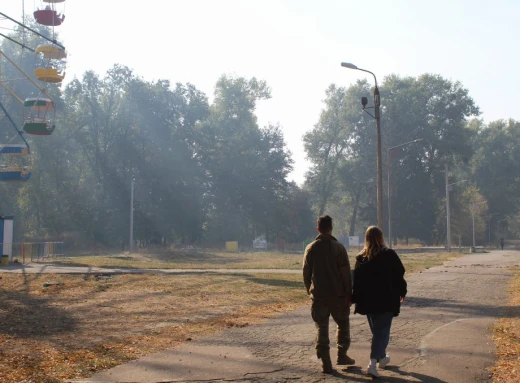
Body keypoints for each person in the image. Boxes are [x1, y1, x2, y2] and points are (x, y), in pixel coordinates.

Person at [351, 226, 407, 378]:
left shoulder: (361, 258)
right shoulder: (389, 255)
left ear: (366, 238)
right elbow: (399, 274)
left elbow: (356, 281)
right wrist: (402, 291)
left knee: (378, 331)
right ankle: (372, 363)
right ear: (381, 237)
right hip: (386, 300)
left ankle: (382, 358)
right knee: (381, 332)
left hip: (368, 302)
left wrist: (353, 298)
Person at [303, 215, 354, 373]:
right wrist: (348, 293)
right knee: (343, 323)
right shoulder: (338, 248)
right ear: (331, 227)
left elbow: (306, 273)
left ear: (318, 228)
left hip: (319, 296)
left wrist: (309, 290)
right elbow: (346, 274)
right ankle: (342, 354)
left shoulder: (311, 248)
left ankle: (326, 363)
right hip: (337, 295)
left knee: (322, 328)